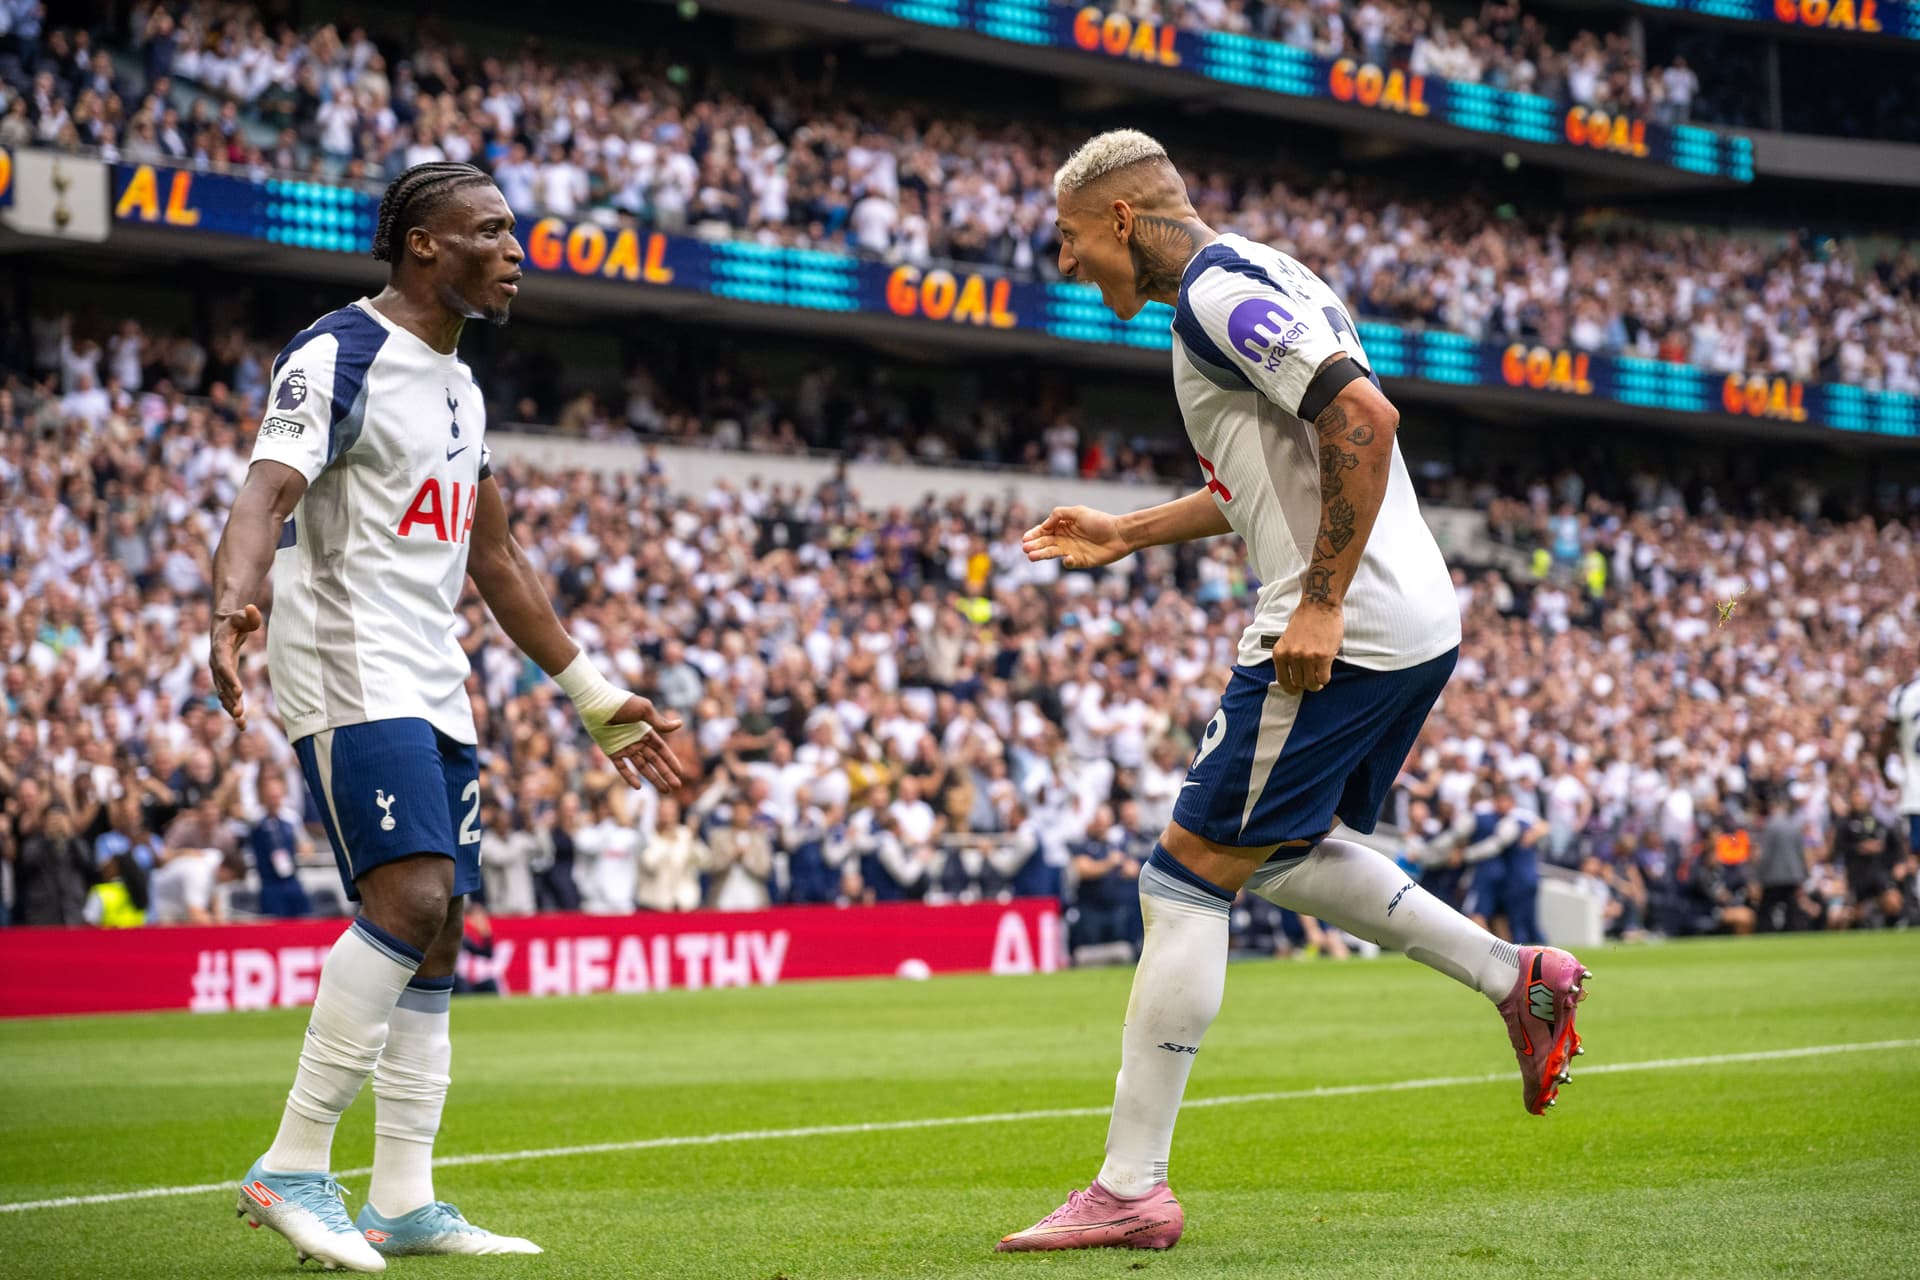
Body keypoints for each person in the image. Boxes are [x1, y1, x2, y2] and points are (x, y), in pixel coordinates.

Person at [1000, 131, 1589, 1255]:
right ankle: (1517, 977)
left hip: (1347, 622)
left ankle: (1131, 1186)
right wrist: (1132, 526)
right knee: (1268, 847)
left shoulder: (1213, 296)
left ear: (1123, 218)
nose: (1069, 265)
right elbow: (1281, 462)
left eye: (1073, 241)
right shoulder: (1270, 272)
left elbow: (1364, 423)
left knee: (1184, 873)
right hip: (1410, 616)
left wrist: (1318, 600)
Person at [209, 161, 684, 1272]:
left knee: (445, 922)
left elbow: (497, 555)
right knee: (409, 892)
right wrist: (233, 604)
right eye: (493, 231)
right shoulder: (339, 352)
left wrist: (593, 693)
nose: (518, 250)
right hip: (345, 657)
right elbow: (262, 491)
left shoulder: (463, 387)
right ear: (425, 245)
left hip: (432, 671)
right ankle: (290, 1163)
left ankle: (403, 1198)